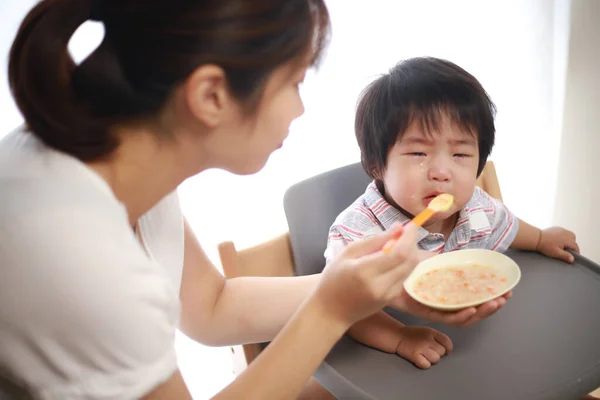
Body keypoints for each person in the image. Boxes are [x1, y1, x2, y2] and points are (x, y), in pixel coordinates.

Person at [0, 2, 507, 398]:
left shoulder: (114, 158)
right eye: (293, 82)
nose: (301, 107)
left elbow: (212, 308)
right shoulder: (71, 255)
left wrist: (374, 291)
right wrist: (331, 311)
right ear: (211, 96)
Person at [325, 57, 580, 369]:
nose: (442, 171)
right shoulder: (358, 234)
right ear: (377, 165)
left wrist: (541, 238)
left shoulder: (476, 209)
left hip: (484, 346)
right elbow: (342, 308)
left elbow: (507, 224)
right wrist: (400, 336)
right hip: (391, 360)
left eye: (460, 154)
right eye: (418, 153)